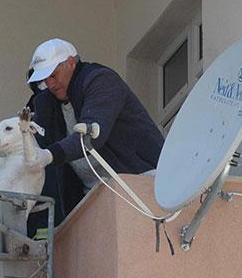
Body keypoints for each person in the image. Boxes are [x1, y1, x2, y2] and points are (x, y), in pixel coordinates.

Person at [24, 38, 165, 224]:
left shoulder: (100, 80)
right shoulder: (47, 104)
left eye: (53, 74)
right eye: (44, 79)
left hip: (142, 185)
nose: (50, 84)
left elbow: (92, 136)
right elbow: (32, 148)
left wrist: (49, 155)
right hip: (94, 199)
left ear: (71, 63)